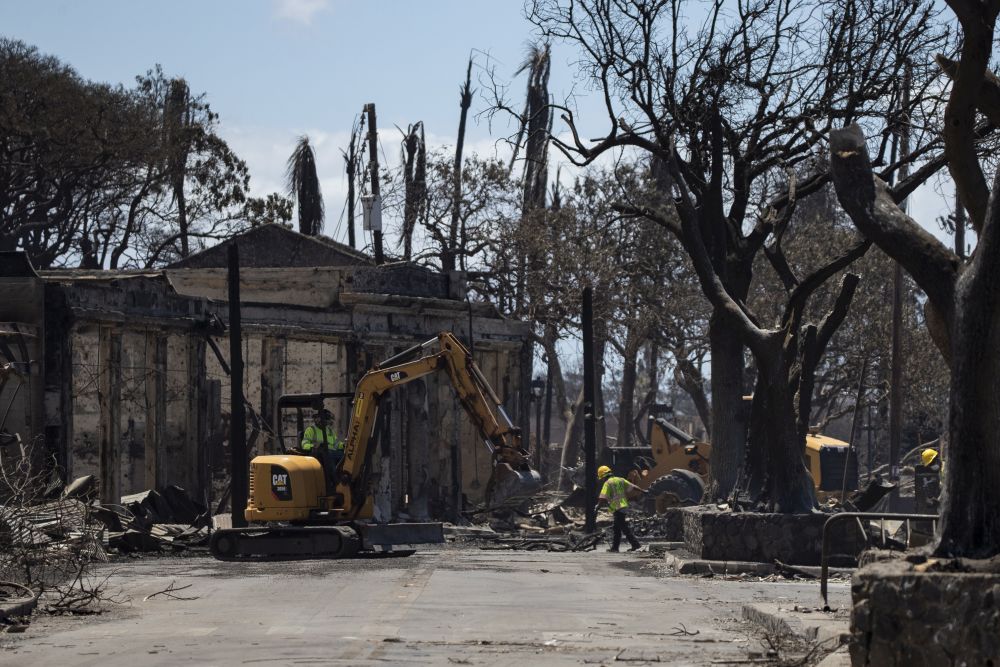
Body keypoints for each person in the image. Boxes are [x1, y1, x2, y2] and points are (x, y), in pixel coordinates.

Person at [597, 465, 642, 552]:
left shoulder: (607, 483)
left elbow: (602, 497)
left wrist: (597, 507)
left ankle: (635, 544)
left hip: (617, 508)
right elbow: (633, 487)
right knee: (617, 528)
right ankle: (615, 547)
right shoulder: (620, 479)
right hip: (623, 506)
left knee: (624, 527)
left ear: (603, 476)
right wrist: (643, 490)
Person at [301, 409, 345, 486]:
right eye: (325, 420)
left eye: (327, 421)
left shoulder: (329, 431)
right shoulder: (311, 430)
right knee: (329, 455)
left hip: (331, 452)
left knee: (345, 456)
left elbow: (336, 444)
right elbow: (304, 444)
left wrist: (344, 445)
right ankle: (335, 481)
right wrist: (315, 446)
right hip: (318, 455)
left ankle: (344, 478)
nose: (327, 423)